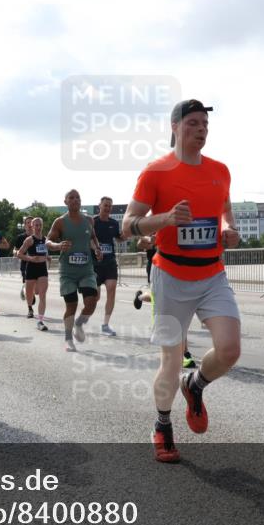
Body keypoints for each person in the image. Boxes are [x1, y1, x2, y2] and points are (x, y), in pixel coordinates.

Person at [122, 99, 242, 463]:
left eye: (205, 123)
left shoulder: (220, 170)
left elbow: (226, 213)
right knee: (172, 358)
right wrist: (165, 220)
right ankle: (162, 425)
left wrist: (229, 230)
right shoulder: (156, 172)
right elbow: (127, 226)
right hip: (171, 275)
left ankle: (197, 385)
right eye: (192, 123)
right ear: (174, 127)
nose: (201, 129)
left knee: (229, 350)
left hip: (211, 273)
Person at [46, 190, 102, 352]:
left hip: (86, 269)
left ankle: (79, 323)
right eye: (71, 198)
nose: (75, 200)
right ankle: (68, 339)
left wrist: (97, 249)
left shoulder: (89, 220)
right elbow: (48, 241)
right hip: (68, 272)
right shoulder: (60, 222)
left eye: (78, 197)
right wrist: (58, 245)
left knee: (91, 302)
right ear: (65, 202)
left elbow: (92, 238)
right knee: (72, 305)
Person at [93, 196, 124, 336]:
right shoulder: (92, 222)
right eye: (105, 205)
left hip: (110, 262)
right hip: (95, 263)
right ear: (100, 205)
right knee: (96, 297)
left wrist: (126, 235)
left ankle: (105, 325)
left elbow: (118, 237)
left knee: (111, 290)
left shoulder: (114, 223)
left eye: (110, 206)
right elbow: (88, 239)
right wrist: (95, 249)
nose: (108, 208)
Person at [16, 217, 50, 330]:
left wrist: (47, 257)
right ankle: (30, 307)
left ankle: (40, 321)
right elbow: (19, 254)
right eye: (36, 225)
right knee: (30, 295)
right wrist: (30, 258)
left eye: (40, 225)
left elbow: (45, 251)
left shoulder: (46, 239)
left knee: (42, 295)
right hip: (31, 268)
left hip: (42, 269)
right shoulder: (29, 240)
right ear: (32, 226)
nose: (38, 227)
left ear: (42, 226)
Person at [15, 216, 35, 309]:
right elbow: (15, 249)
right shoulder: (20, 237)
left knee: (36, 286)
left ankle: (28, 291)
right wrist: (15, 252)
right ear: (25, 225)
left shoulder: (38, 236)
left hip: (38, 264)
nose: (30, 225)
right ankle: (30, 308)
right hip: (25, 264)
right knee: (28, 287)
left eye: (31, 223)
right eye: (28, 223)